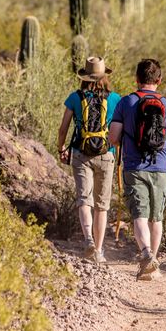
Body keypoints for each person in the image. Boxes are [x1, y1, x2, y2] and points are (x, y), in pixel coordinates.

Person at [109, 58, 166, 279]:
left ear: (137, 79)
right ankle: (152, 264)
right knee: (156, 218)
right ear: (159, 80)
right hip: (160, 168)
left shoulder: (125, 103)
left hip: (134, 166)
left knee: (139, 216)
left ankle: (146, 255)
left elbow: (114, 138)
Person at [57, 57, 122, 264]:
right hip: (106, 154)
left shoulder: (75, 98)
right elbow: (119, 129)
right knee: (101, 205)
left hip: (80, 153)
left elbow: (63, 128)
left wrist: (61, 149)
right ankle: (100, 251)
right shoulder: (115, 99)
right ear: (104, 77)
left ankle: (88, 241)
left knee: (84, 199)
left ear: (84, 77)